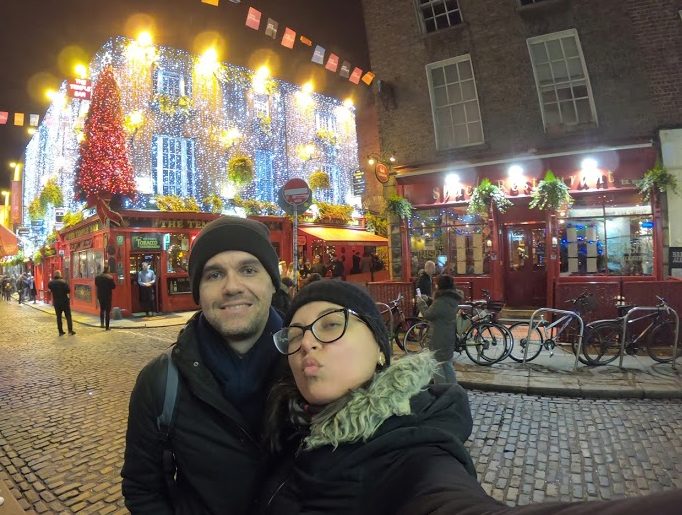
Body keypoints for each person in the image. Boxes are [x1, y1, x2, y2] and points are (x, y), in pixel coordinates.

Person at [259, 280, 682, 515]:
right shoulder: (290, 425)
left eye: (330, 325)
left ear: (381, 350)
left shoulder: (414, 451)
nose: (307, 345)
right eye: (295, 335)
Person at [121, 216, 287, 514]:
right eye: (213, 275)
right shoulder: (160, 382)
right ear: (198, 293)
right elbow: (142, 488)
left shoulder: (311, 366)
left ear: (273, 283)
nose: (232, 287)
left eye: (248, 270)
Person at [416, 274, 462, 383]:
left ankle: (442, 390)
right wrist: (430, 299)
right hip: (448, 335)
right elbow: (440, 309)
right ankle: (452, 388)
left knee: (437, 366)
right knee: (447, 363)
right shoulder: (451, 298)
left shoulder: (441, 301)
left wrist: (421, 303)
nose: (435, 286)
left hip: (439, 337)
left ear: (440, 286)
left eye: (437, 284)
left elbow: (428, 315)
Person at [47, 270, 75, 336]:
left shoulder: (51, 283)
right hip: (65, 301)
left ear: (54, 275)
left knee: (58, 317)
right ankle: (70, 331)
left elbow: (49, 289)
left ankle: (60, 331)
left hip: (56, 302)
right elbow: (68, 291)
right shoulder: (64, 282)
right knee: (68, 316)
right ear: (60, 275)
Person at [95, 265, 116, 330]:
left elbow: (96, 284)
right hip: (108, 296)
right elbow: (113, 287)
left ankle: (102, 324)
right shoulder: (110, 277)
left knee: (102, 309)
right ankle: (107, 327)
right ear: (108, 269)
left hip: (100, 296)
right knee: (107, 311)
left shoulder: (97, 277)